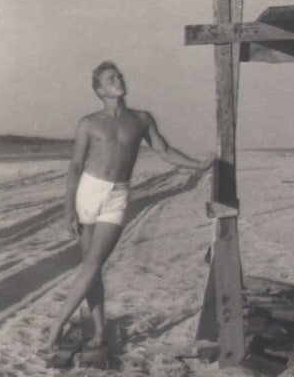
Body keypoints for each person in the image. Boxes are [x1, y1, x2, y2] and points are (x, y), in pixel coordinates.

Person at [47, 62, 213, 350]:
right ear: (100, 90)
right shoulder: (88, 122)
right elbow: (75, 166)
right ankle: (98, 330)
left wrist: (198, 165)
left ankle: (56, 328)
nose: (118, 79)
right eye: (111, 78)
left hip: (117, 195)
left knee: (95, 262)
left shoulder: (141, 119)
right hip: (88, 192)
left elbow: (165, 151)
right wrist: (68, 209)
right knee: (91, 268)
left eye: (119, 75)